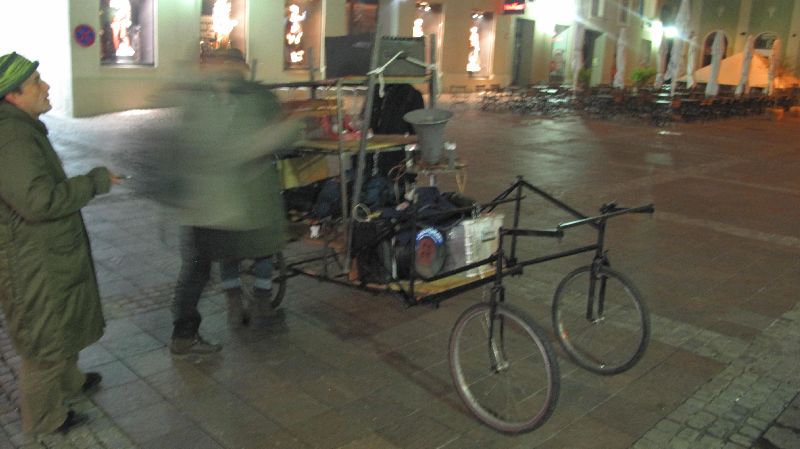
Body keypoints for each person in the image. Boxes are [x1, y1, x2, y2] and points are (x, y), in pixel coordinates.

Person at [0, 52, 120, 435]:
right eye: (36, 83)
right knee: (45, 340)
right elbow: (38, 202)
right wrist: (93, 182)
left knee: (61, 324)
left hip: (45, 252)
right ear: (13, 95)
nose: (46, 86)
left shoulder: (22, 129)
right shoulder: (11, 137)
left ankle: (71, 384)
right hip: (32, 260)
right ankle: (44, 419)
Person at [163, 51, 301, 355]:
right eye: (223, 67)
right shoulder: (210, 103)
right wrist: (287, 128)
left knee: (204, 267)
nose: (228, 72)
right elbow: (235, 149)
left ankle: (204, 322)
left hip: (210, 204)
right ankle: (188, 331)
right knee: (202, 268)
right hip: (212, 205)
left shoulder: (213, 98)